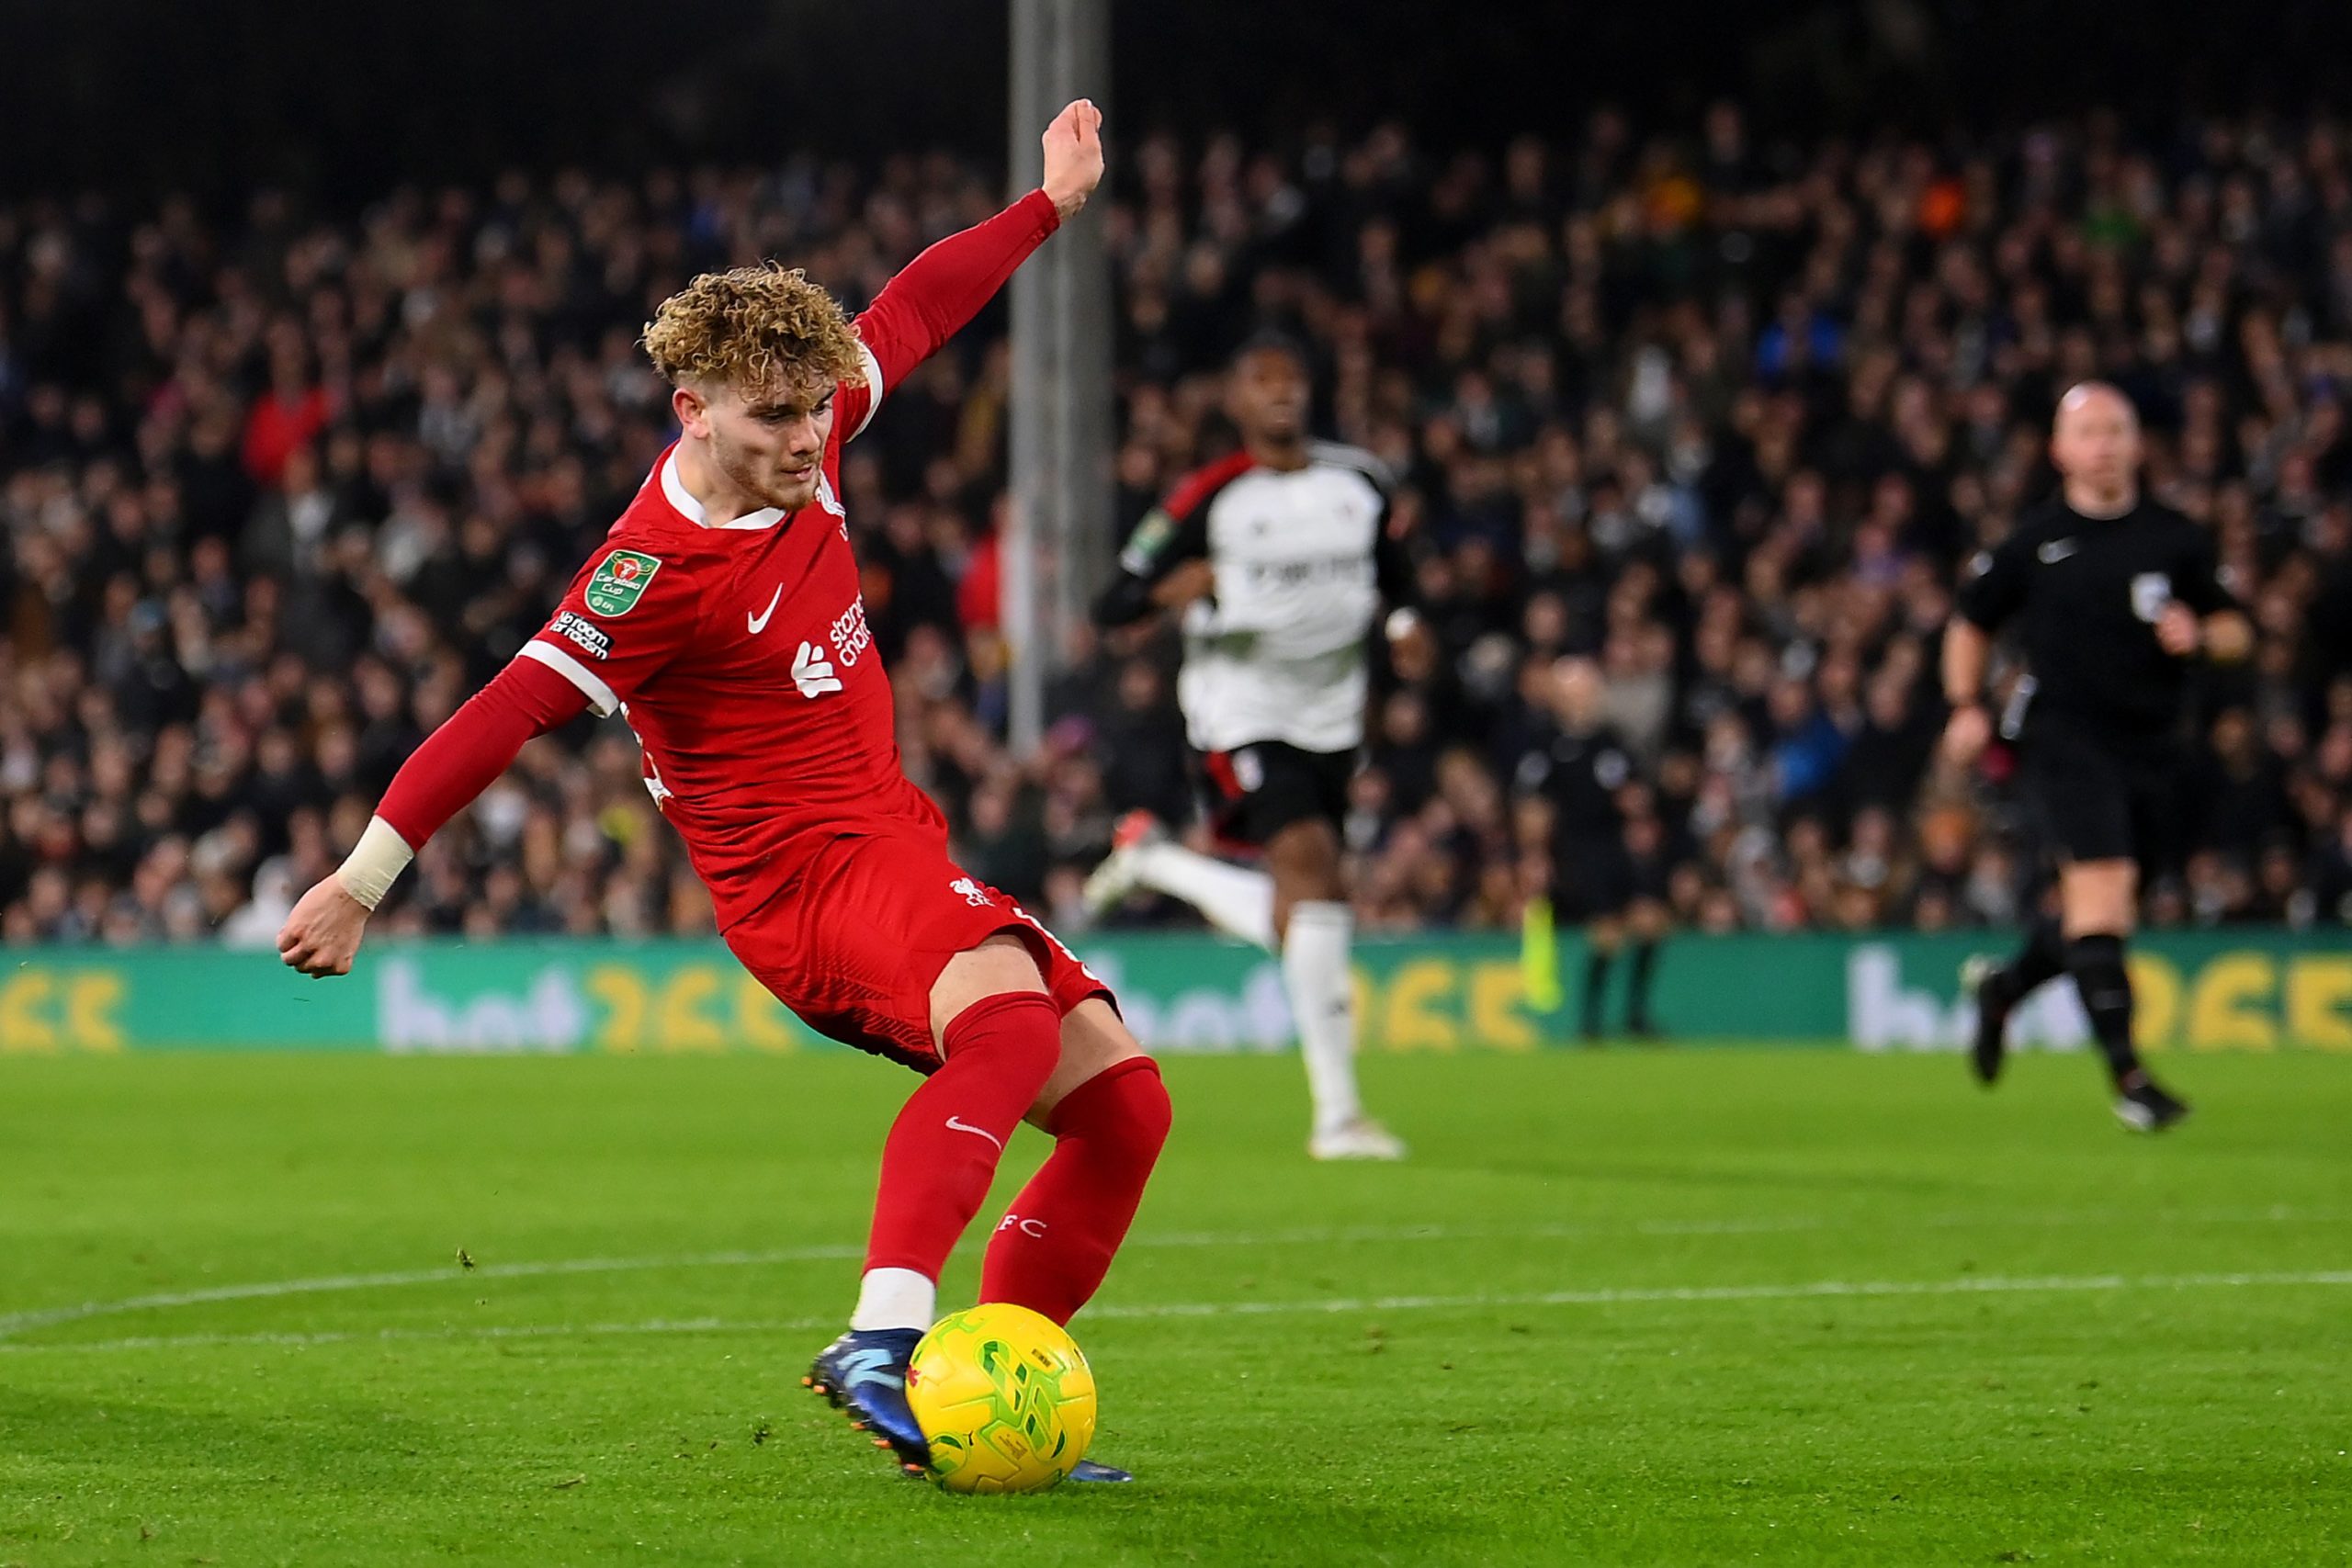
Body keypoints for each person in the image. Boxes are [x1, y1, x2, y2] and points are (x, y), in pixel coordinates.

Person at [276, 102, 1168, 1483]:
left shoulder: (813, 432)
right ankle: (883, 1332)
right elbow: (503, 711)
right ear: (690, 410)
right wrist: (359, 879)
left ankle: (973, 1404)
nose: (809, 438)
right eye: (773, 418)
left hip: (889, 837)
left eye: (817, 408)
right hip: (804, 888)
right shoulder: (646, 574)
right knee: (996, 1010)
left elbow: (919, 308)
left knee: (1124, 1107)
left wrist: (1049, 204)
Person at [1083, 335, 1416, 1160]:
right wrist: (1168, 590)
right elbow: (1113, 602)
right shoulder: (1211, 497)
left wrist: (1407, 628)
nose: (1282, 395)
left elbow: (1396, 571)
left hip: (1335, 716)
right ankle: (1338, 1116)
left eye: (1293, 380)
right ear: (1236, 402)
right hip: (1242, 712)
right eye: (1263, 382)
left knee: (1304, 912)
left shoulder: (1360, 481)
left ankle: (1156, 861)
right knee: (1312, 871)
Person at [1941, 382, 2251, 1131]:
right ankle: (2131, 1079)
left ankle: (2006, 988)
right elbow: (1969, 622)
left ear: (2138, 443)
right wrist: (1966, 706)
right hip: (2062, 742)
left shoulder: (2175, 538)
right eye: (2089, 432)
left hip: (2152, 747)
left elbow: (2237, 629)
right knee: (2103, 896)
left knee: (2097, 917)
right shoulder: (2034, 542)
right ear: (2060, 451)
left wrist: (2202, 636)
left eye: (2116, 429)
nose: (2105, 444)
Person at [1512, 658, 1666, 1039]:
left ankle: (1635, 1013)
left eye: (1589, 690)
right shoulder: (1547, 745)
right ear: (1560, 697)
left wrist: (1639, 811)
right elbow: (1534, 807)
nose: (1585, 699)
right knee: (1608, 932)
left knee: (1650, 923)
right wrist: (1536, 854)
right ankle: (1591, 1022)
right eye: (1577, 691)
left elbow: (1632, 790)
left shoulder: (1610, 740)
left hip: (1615, 845)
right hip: (1577, 850)